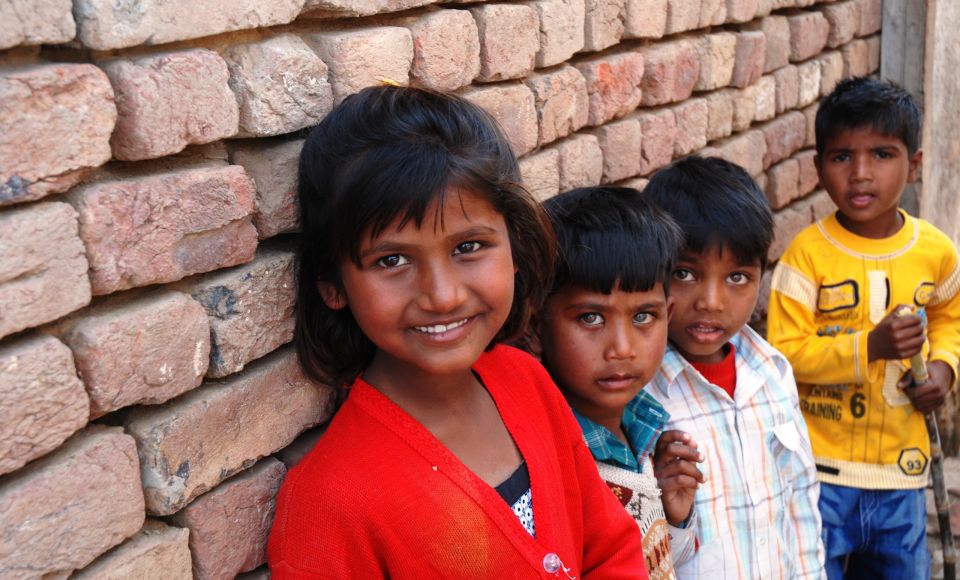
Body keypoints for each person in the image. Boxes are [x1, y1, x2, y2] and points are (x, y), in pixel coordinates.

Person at [267, 85, 648, 579]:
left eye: (469, 246)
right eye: (393, 260)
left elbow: (611, 548)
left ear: (515, 245)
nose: (442, 295)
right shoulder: (330, 500)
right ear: (333, 284)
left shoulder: (526, 380)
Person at [767, 76, 960, 579]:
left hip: (903, 474)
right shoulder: (806, 257)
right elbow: (784, 355)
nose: (860, 174)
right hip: (820, 474)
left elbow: (949, 318)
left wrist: (943, 368)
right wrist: (867, 346)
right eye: (841, 157)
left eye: (881, 154)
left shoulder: (935, 253)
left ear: (913, 165)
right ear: (818, 168)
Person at [643, 156, 826, 579]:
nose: (711, 301)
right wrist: (674, 517)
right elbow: (646, 548)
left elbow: (800, 504)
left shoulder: (771, 373)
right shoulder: (642, 396)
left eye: (737, 278)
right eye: (686, 273)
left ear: (762, 275)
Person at [533, 186, 704, 580]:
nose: (622, 349)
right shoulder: (558, 462)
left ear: (669, 313)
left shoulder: (645, 424)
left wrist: (672, 516)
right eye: (592, 318)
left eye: (644, 317)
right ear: (535, 324)